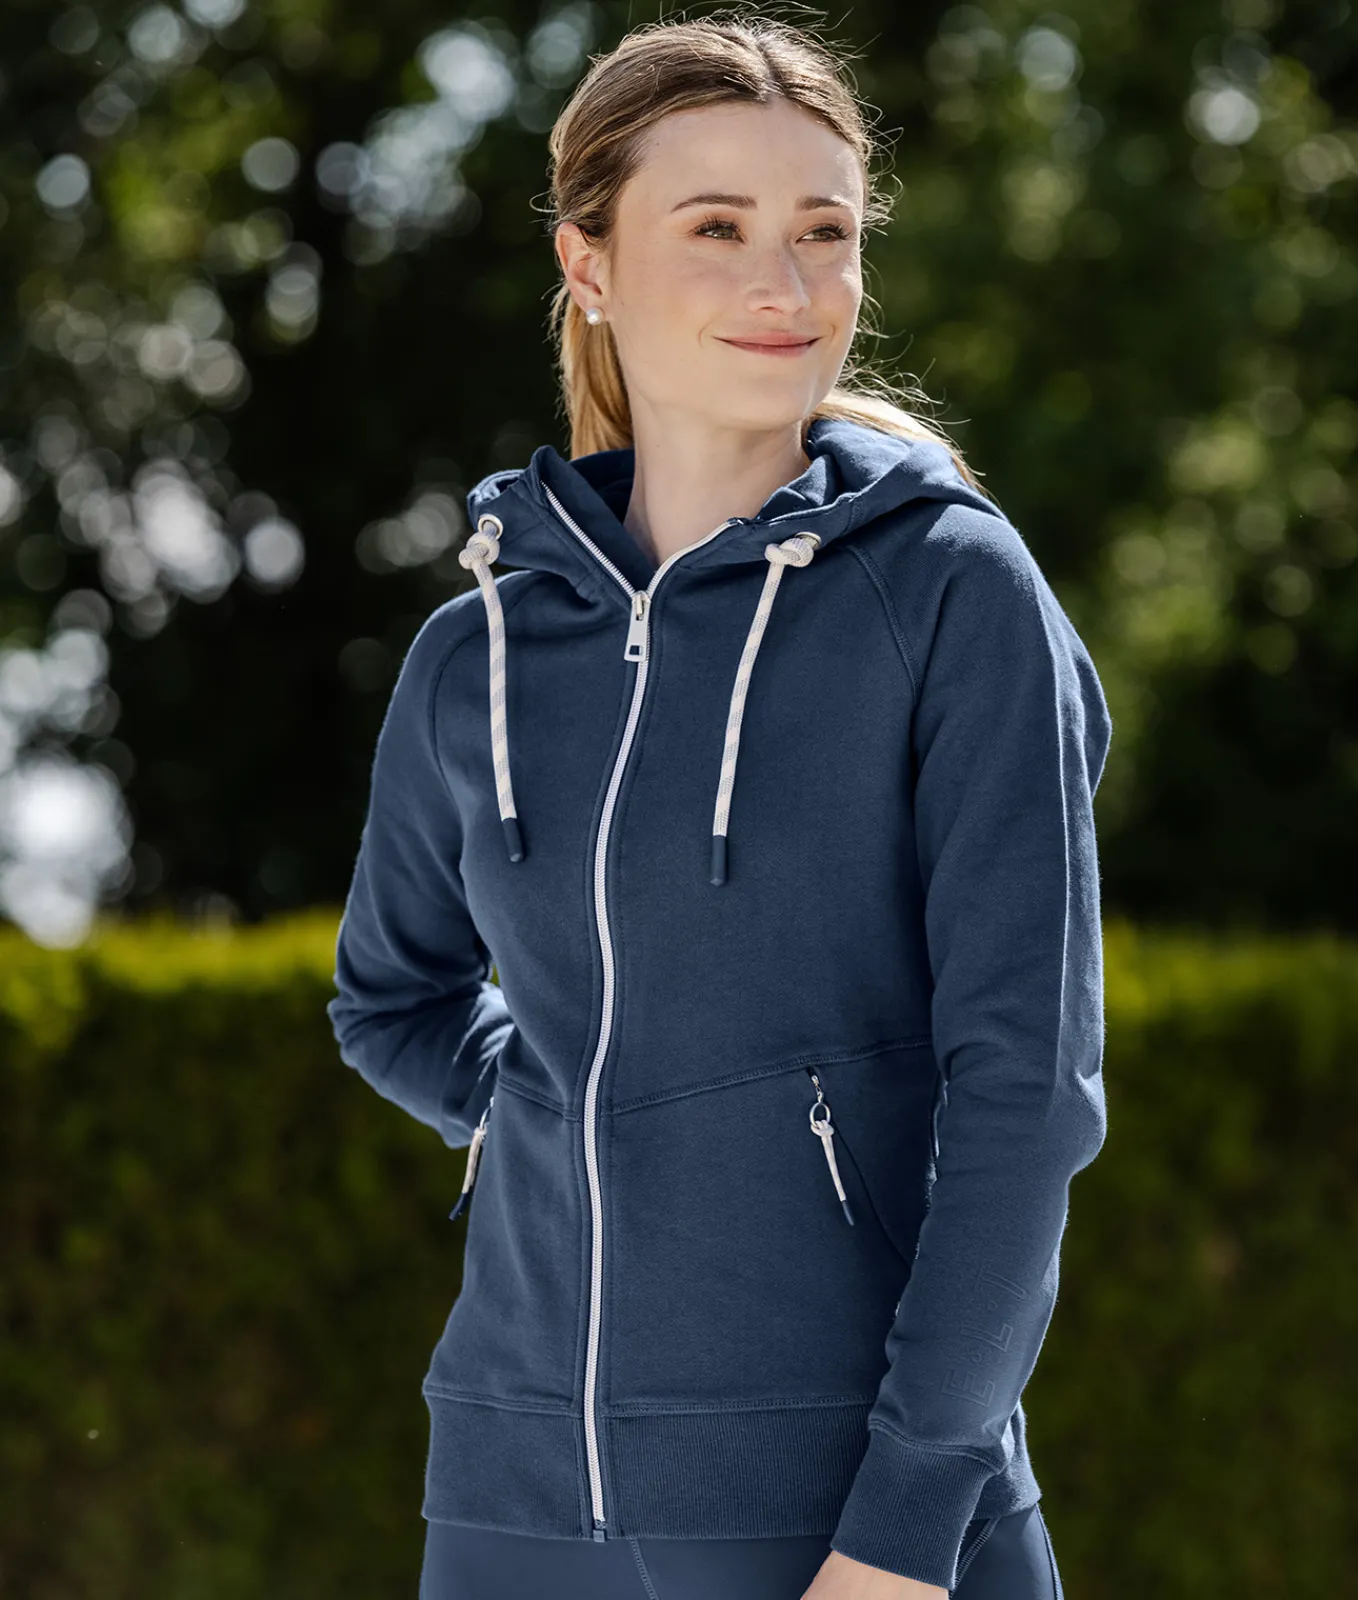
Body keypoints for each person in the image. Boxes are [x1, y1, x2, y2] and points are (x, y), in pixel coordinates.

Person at [326, 12, 1110, 1599]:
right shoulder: (479, 654)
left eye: (825, 232)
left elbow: (1026, 1089)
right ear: (589, 263)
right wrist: (563, 1111)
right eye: (718, 228)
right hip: (511, 1501)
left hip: (843, 1505)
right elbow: (390, 1000)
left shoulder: (953, 596)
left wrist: (907, 1523)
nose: (788, 284)